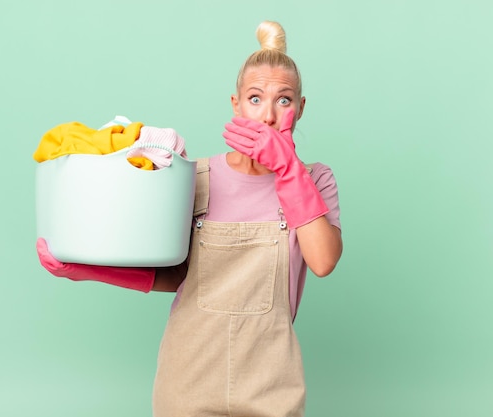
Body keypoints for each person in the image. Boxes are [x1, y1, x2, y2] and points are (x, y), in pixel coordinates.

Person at [37, 20, 342, 417]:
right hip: (188, 378)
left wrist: (288, 170)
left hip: (271, 381)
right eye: (255, 98)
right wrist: (86, 269)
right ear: (235, 104)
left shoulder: (315, 179)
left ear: (300, 109)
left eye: (283, 100)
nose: (267, 115)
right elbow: (178, 275)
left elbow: (323, 261)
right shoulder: (193, 177)